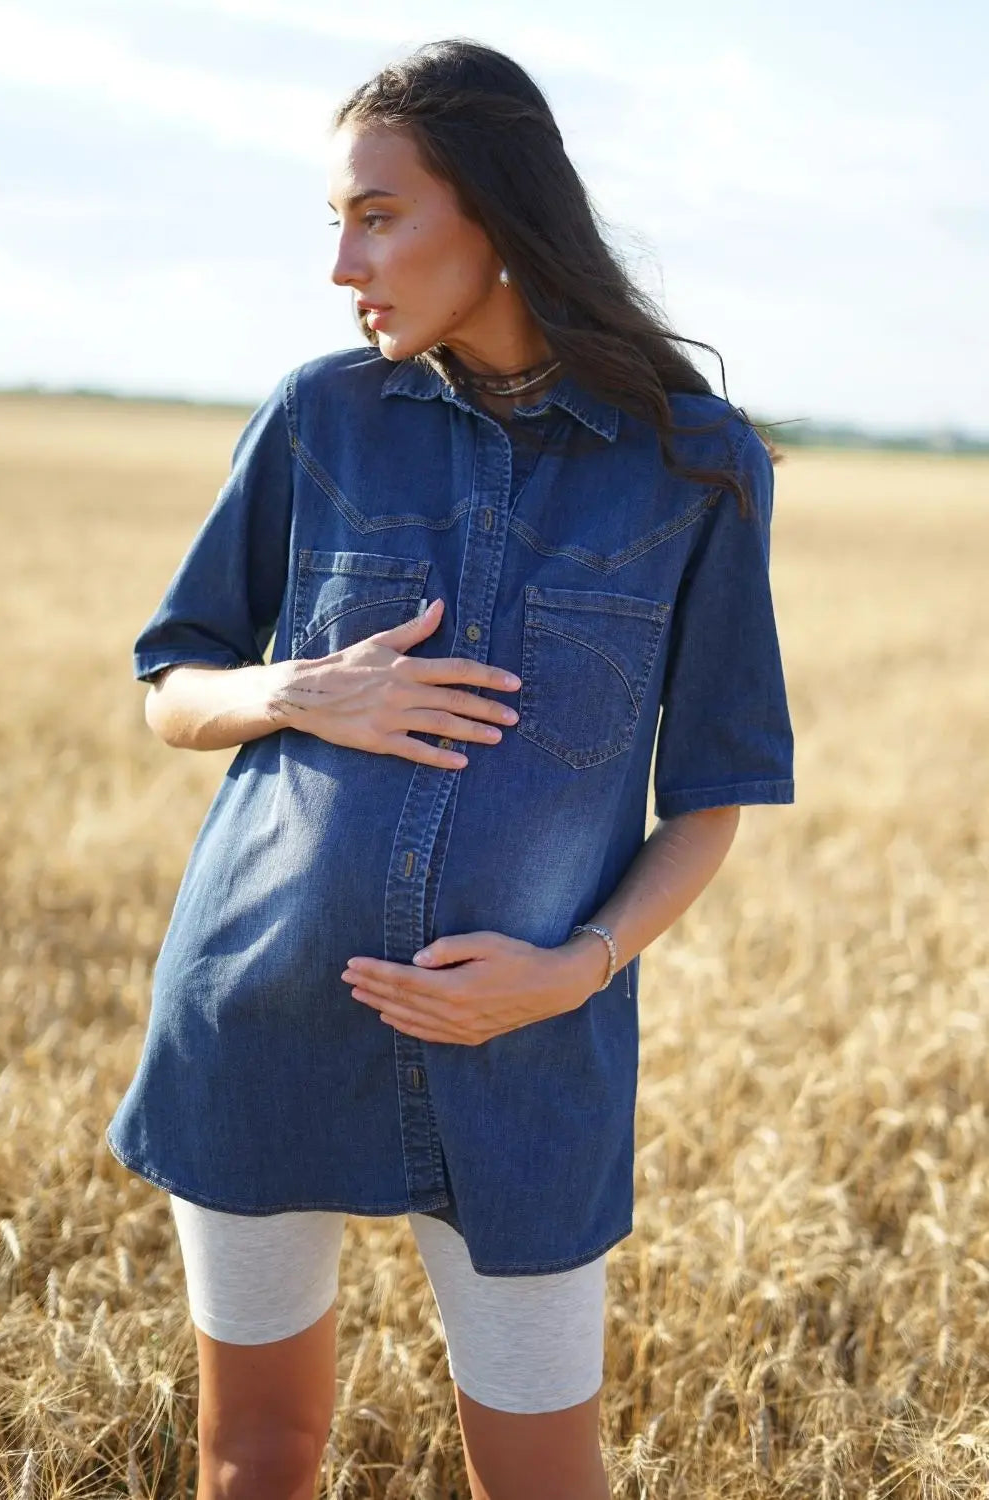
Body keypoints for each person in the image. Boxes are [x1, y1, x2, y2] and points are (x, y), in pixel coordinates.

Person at [105, 37, 795, 1500]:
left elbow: (716, 793)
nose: (344, 263)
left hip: (525, 1053)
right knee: (256, 1459)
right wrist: (302, 690)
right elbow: (172, 686)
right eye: (339, 223)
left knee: (546, 1479)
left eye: (377, 215)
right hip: (259, 1010)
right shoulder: (319, 415)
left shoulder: (699, 465)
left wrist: (575, 971)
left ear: (490, 211)